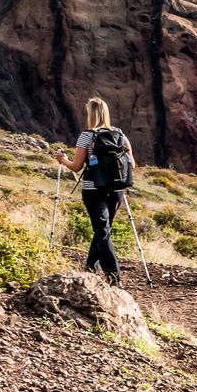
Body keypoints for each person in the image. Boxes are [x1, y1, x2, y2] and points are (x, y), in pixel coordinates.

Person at [54, 98, 135, 287]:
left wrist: (62, 160)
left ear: (90, 113)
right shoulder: (120, 135)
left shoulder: (87, 136)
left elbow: (76, 166)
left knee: (102, 231)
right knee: (103, 230)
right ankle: (90, 267)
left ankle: (115, 278)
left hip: (94, 189)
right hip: (117, 190)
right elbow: (131, 163)